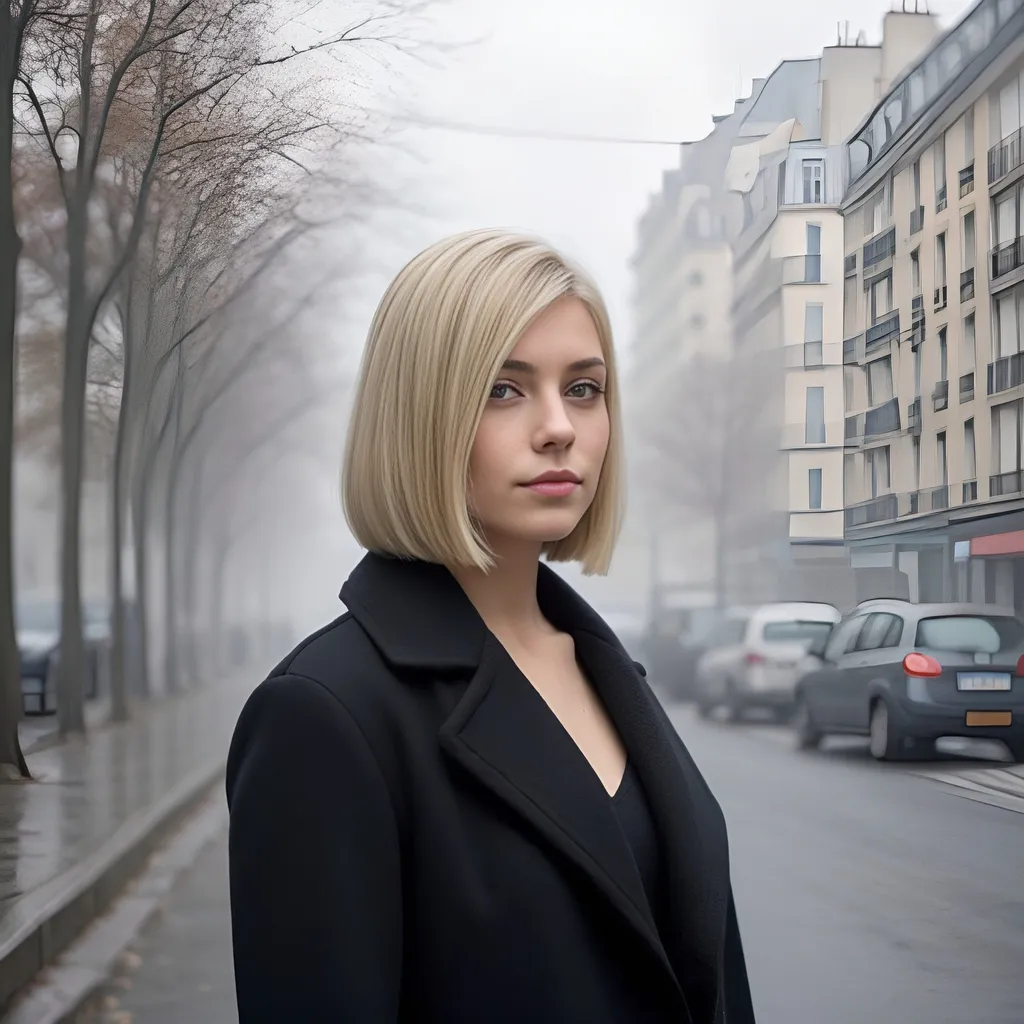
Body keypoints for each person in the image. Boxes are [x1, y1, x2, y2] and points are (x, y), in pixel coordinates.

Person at [226, 228, 756, 1023]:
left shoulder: (611, 673)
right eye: (503, 390)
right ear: (417, 419)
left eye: (583, 389)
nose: (559, 428)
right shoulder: (324, 714)